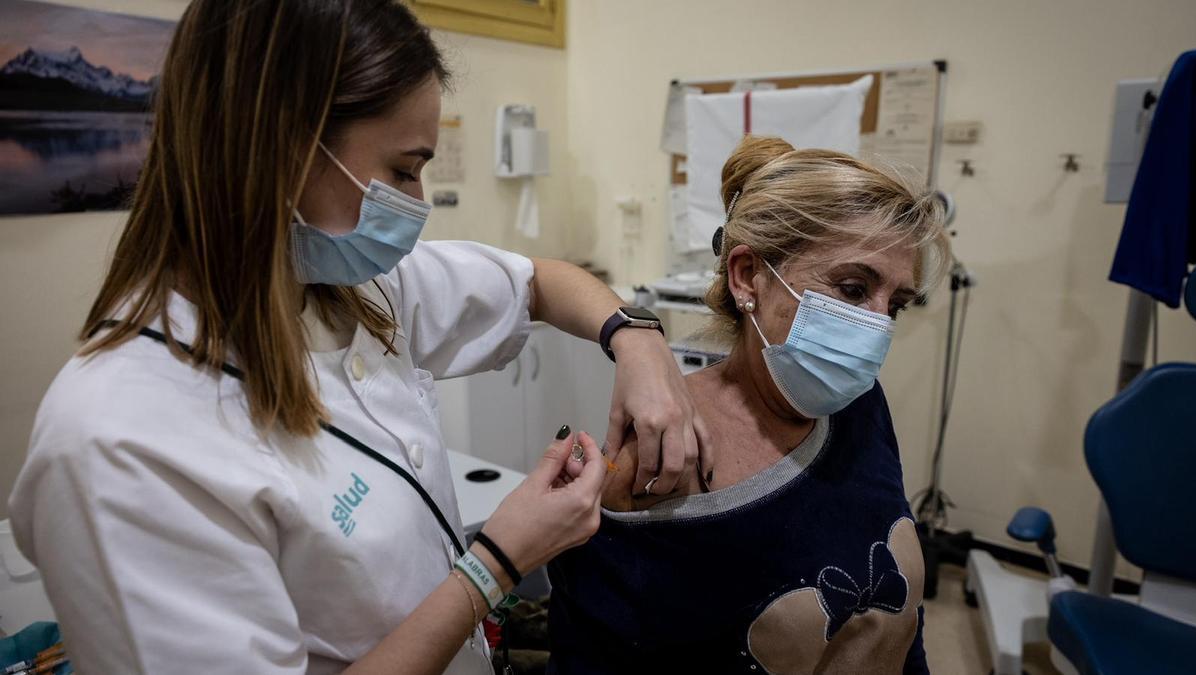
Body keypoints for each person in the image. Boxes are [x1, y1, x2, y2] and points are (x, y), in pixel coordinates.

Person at [6, 2, 711, 673]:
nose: (418, 202)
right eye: (403, 169)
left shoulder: (348, 288)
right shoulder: (119, 444)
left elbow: (539, 282)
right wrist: (497, 560)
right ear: (282, 146)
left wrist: (638, 341)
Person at [547, 136, 952, 674]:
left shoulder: (860, 407)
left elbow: (900, 618)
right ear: (747, 277)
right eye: (854, 289)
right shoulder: (666, 451)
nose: (877, 325)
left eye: (895, 306)